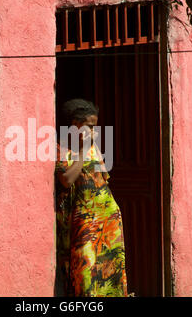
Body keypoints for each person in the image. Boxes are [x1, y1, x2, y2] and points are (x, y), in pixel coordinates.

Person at [55, 98, 128, 297]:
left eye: (95, 127)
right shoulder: (61, 149)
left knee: (110, 271)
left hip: (107, 219)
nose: (94, 132)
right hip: (82, 222)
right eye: (89, 127)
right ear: (74, 125)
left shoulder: (93, 148)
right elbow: (67, 180)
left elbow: (103, 178)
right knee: (85, 273)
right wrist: (83, 150)